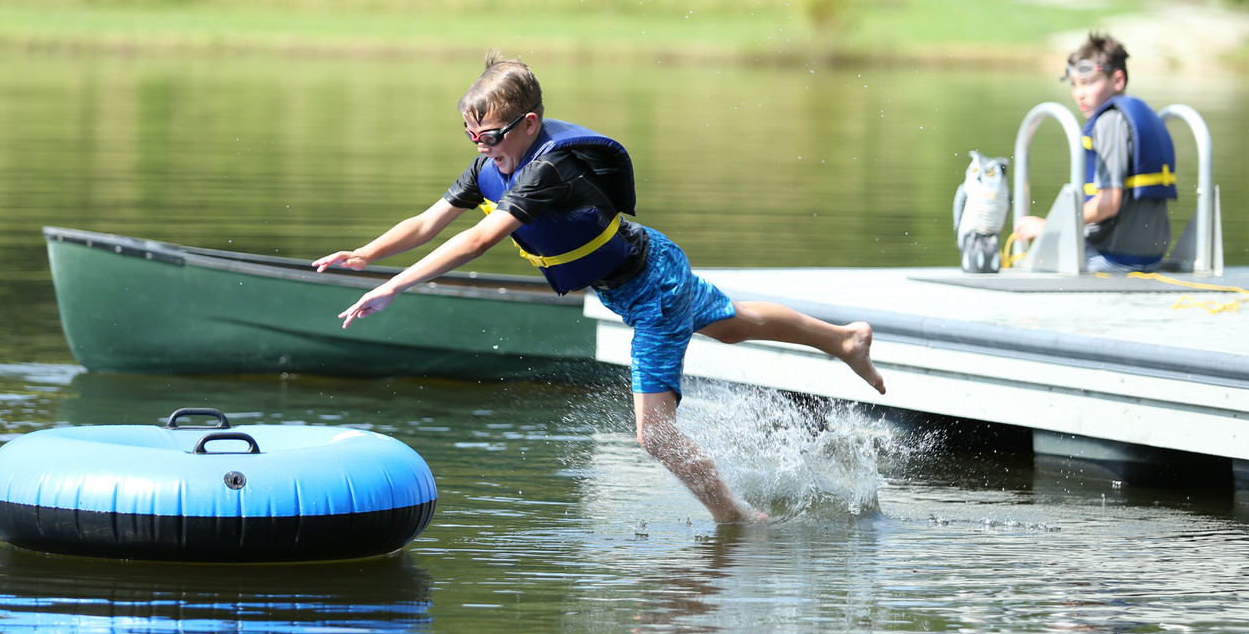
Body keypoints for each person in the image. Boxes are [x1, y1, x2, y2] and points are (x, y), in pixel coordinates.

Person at [313, 51, 886, 523]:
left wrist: (396, 286)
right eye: (470, 134)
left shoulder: (546, 171)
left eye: (488, 135)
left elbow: (477, 241)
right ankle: (843, 340)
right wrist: (366, 254)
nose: (480, 146)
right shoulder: (490, 167)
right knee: (734, 325)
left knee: (654, 435)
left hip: (652, 288)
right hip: (648, 266)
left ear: (528, 124)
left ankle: (734, 518)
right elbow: (427, 223)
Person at [1015, 32, 1176, 273]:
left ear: (1118, 80)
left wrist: (1049, 226)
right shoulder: (1138, 113)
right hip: (1148, 256)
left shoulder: (1109, 122)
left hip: (1112, 258)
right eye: (1074, 84)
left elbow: (1109, 203)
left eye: (1088, 83)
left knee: (1032, 264)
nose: (1079, 93)